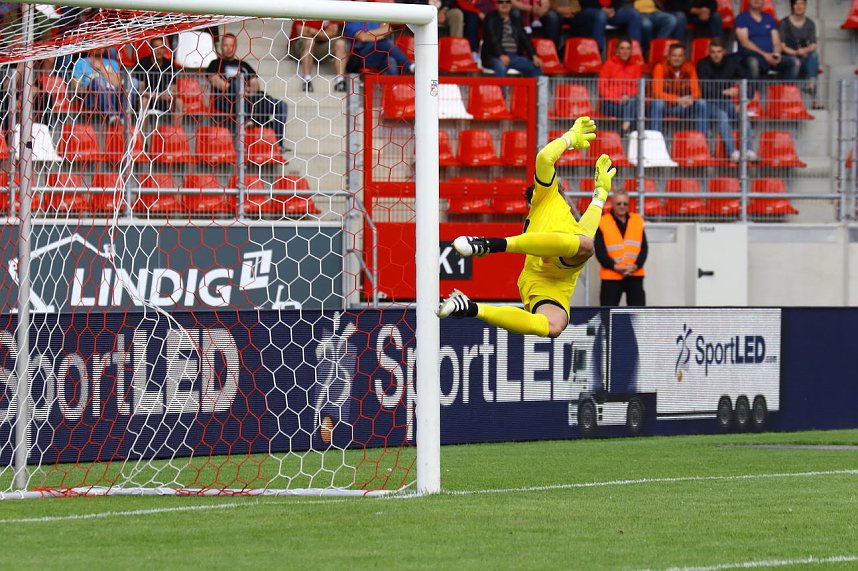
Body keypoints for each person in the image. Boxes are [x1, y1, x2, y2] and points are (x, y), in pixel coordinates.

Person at [437, 117, 618, 339]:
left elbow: (587, 232)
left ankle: (468, 307)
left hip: (558, 280)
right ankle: (487, 244)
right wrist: (570, 137)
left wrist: (600, 193)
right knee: (585, 244)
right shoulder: (546, 195)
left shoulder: (567, 218)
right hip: (540, 275)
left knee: (553, 327)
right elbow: (544, 157)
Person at [207, 33, 290, 155]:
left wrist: (248, 92)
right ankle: (246, 121)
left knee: (281, 105)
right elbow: (216, 82)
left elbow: (255, 84)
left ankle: (278, 144)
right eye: (226, 45)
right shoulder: (215, 64)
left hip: (250, 100)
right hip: (227, 101)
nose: (229, 48)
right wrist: (238, 88)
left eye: (232, 45)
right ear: (221, 47)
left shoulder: (244, 65)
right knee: (237, 81)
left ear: (235, 47)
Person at [696, 37, 757, 161]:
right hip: (707, 104)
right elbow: (704, 89)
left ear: (723, 51)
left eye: (718, 52)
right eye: (713, 52)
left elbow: (749, 79)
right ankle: (733, 152)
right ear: (709, 52)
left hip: (725, 102)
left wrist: (746, 99)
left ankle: (749, 150)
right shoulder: (702, 64)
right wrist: (724, 92)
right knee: (722, 115)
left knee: (743, 114)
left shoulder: (731, 63)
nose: (716, 55)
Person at [594, 189, 647, 306]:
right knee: (608, 314)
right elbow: (600, 251)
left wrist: (636, 266)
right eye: (619, 203)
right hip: (611, 276)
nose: (622, 206)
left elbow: (644, 248)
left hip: (634, 274)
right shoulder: (603, 222)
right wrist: (615, 267)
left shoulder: (637, 221)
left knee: (638, 315)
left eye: (625, 203)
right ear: (612, 204)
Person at [650, 43, 708, 134]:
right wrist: (677, 99)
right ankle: (656, 139)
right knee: (657, 102)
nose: (677, 59)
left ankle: (702, 139)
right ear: (668, 56)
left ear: (684, 58)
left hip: (684, 107)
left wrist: (690, 99)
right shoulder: (660, 67)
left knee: (701, 102)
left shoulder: (690, 68)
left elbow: (697, 92)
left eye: (680, 56)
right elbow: (657, 93)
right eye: (674, 55)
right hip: (665, 107)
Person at [735, 0, 799, 81]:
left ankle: (786, 91)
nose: (756, 1)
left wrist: (776, 54)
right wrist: (765, 55)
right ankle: (754, 92)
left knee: (794, 62)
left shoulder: (769, 19)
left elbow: (776, 42)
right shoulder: (742, 18)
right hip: (750, 57)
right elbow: (744, 42)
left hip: (770, 57)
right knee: (753, 63)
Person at [480, 0, 543, 78]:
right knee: (501, 67)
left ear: (511, 4)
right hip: (494, 56)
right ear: (496, 5)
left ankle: (538, 90)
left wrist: (533, 55)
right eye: (501, 2)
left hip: (514, 56)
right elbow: (492, 39)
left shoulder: (516, 20)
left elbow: (525, 39)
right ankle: (503, 90)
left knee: (536, 67)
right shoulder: (490, 18)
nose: (504, 4)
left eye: (507, 2)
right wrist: (501, 54)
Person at [598, 37, 644, 135]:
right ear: (617, 50)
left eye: (628, 48)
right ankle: (632, 132)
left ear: (631, 51)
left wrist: (627, 97)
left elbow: (637, 87)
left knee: (633, 102)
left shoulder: (636, 66)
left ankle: (625, 127)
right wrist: (618, 99)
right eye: (622, 48)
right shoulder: (609, 65)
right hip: (610, 104)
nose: (625, 51)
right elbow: (602, 88)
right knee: (637, 110)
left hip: (629, 102)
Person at [779, 0, 821, 108]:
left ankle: (811, 85)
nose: (799, 6)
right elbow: (782, 46)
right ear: (792, 6)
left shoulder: (810, 23)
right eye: (796, 3)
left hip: (803, 56)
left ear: (805, 6)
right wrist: (796, 52)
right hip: (788, 57)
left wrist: (805, 50)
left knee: (814, 56)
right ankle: (791, 98)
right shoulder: (784, 23)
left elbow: (813, 44)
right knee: (796, 61)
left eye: (802, 4)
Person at [133, 37, 183, 124]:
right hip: (149, 100)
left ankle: (176, 134)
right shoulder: (142, 64)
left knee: (179, 102)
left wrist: (168, 95)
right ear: (150, 48)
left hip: (165, 101)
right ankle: (142, 134)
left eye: (162, 47)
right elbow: (141, 91)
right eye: (155, 47)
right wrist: (157, 96)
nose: (159, 50)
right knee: (143, 100)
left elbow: (174, 90)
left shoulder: (169, 65)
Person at [292, 20, 349, 93]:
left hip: (321, 46)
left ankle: (340, 80)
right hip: (298, 47)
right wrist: (323, 35)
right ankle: (307, 79)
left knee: (340, 43)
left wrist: (313, 31)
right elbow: (302, 33)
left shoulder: (331, 11)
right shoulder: (304, 10)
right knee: (309, 41)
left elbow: (333, 33)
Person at [70, 47, 124, 123]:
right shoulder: (81, 63)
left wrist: (101, 68)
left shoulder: (113, 63)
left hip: (113, 95)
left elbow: (117, 84)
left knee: (132, 83)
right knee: (98, 81)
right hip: (91, 97)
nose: (100, 47)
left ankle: (122, 117)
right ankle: (111, 115)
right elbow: (76, 87)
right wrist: (89, 87)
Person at [343, 21, 415, 75]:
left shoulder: (375, 15)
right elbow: (362, 37)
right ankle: (409, 65)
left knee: (391, 61)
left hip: (381, 55)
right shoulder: (352, 20)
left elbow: (388, 28)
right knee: (386, 43)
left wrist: (368, 33)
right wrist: (380, 35)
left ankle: (391, 90)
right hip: (364, 57)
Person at [577, 0, 642, 57]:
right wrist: (602, 9)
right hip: (590, 9)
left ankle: (634, 52)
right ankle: (598, 52)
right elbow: (584, 2)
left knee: (633, 14)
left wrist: (613, 9)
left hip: (610, 11)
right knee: (601, 15)